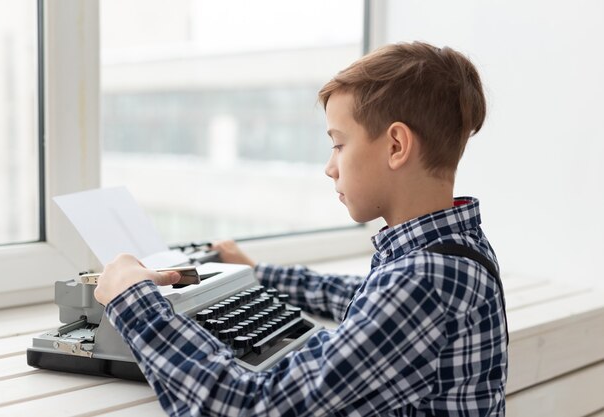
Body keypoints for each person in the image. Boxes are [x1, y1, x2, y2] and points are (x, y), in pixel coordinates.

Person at [94, 41, 508, 416]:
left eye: (339, 144)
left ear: (396, 146)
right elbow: (359, 298)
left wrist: (134, 302)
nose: (330, 167)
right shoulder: (455, 249)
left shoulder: (422, 282)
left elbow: (250, 407)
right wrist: (258, 273)